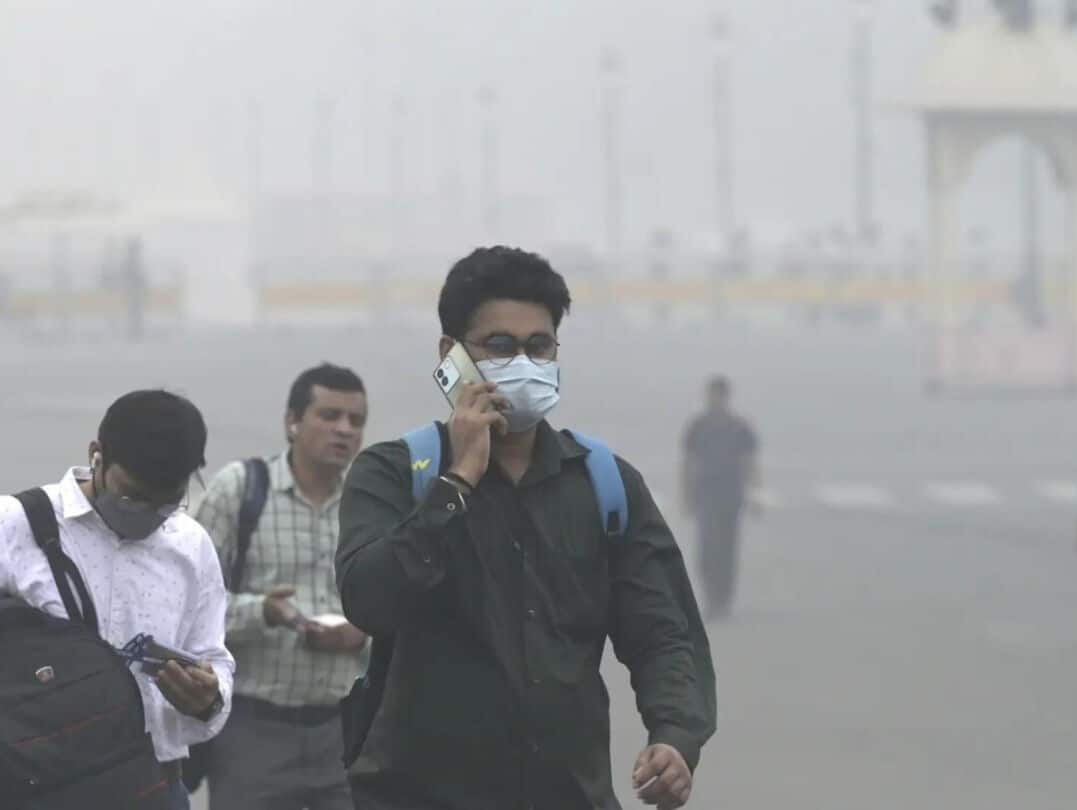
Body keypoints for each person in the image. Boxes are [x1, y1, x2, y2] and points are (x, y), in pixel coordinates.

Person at [338, 246, 716, 810]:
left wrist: (675, 737)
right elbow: (368, 600)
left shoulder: (604, 485)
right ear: (451, 356)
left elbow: (664, 631)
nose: (523, 362)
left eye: (538, 346)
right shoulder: (394, 473)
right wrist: (458, 481)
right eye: (500, 346)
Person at [0, 390, 235, 809]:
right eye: (132, 496)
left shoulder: (190, 546)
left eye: (167, 502)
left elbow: (214, 657)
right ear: (97, 454)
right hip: (41, 789)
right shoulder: (10, 525)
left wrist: (209, 700)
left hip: (156, 787)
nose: (147, 514)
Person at [192, 363, 369, 810]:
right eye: (329, 416)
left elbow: (399, 605)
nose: (344, 430)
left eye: (355, 420)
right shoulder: (241, 490)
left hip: (345, 731)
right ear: (292, 422)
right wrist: (264, 612)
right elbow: (188, 606)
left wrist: (364, 632)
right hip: (253, 731)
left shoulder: (368, 502)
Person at [681, 375, 759, 621]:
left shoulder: (740, 426)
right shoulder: (698, 425)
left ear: (726, 397)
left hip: (732, 494)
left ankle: (723, 600)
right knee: (706, 548)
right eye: (712, 394)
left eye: (719, 395)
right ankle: (712, 598)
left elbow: (748, 462)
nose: (715, 399)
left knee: (727, 548)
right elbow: (689, 462)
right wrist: (687, 495)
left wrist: (754, 493)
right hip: (707, 494)